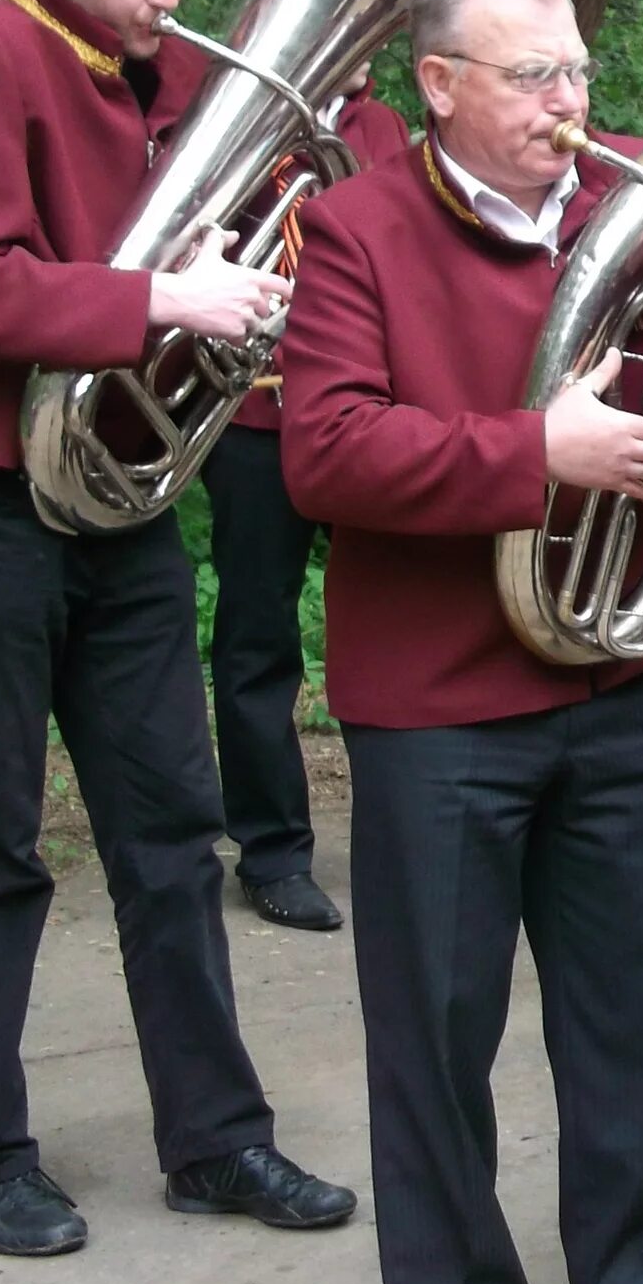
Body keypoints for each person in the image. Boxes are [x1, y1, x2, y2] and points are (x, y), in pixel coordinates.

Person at [281, 0, 643, 1284]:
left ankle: (636, 1258)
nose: (568, 102)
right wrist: (536, 454)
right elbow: (324, 450)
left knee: (637, 998)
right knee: (439, 1021)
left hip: (624, 669)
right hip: (440, 699)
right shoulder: (355, 229)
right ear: (438, 85)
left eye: (576, 68)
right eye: (531, 75)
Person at [0, 0, 356, 1258]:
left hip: (128, 505)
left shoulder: (171, 78)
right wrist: (162, 298)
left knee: (170, 831)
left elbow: (226, 253)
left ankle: (216, 1138)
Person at [201, 68, 409, 931]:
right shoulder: (234, 114)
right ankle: (273, 851)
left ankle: (414, 837)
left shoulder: (389, 128)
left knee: (404, 617)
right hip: (255, 410)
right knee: (257, 636)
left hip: (371, 407)